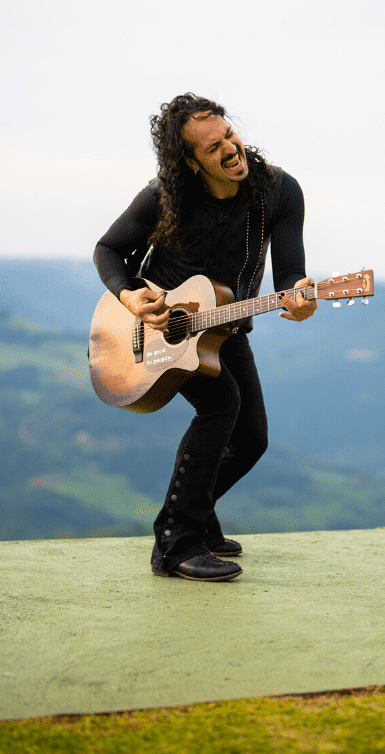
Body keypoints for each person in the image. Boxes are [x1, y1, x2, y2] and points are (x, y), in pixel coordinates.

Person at [93, 93, 316, 581]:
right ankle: (175, 544)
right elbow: (108, 249)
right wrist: (131, 297)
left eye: (229, 135)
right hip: (161, 330)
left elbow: (290, 279)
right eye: (213, 148)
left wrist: (299, 298)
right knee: (221, 405)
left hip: (225, 325)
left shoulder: (278, 193)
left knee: (252, 439)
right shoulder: (164, 196)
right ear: (190, 164)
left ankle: (196, 516)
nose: (231, 149)